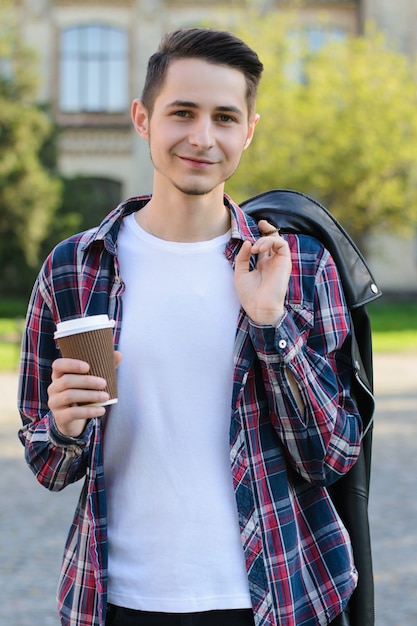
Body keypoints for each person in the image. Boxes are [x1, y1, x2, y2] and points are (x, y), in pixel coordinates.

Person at [18, 28, 363, 626]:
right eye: (182, 112)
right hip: (117, 599)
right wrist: (66, 427)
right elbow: (48, 464)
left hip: (273, 596)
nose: (203, 138)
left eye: (225, 117)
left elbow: (330, 455)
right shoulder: (75, 268)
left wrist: (270, 324)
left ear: (249, 130)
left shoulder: (297, 266)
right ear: (143, 118)